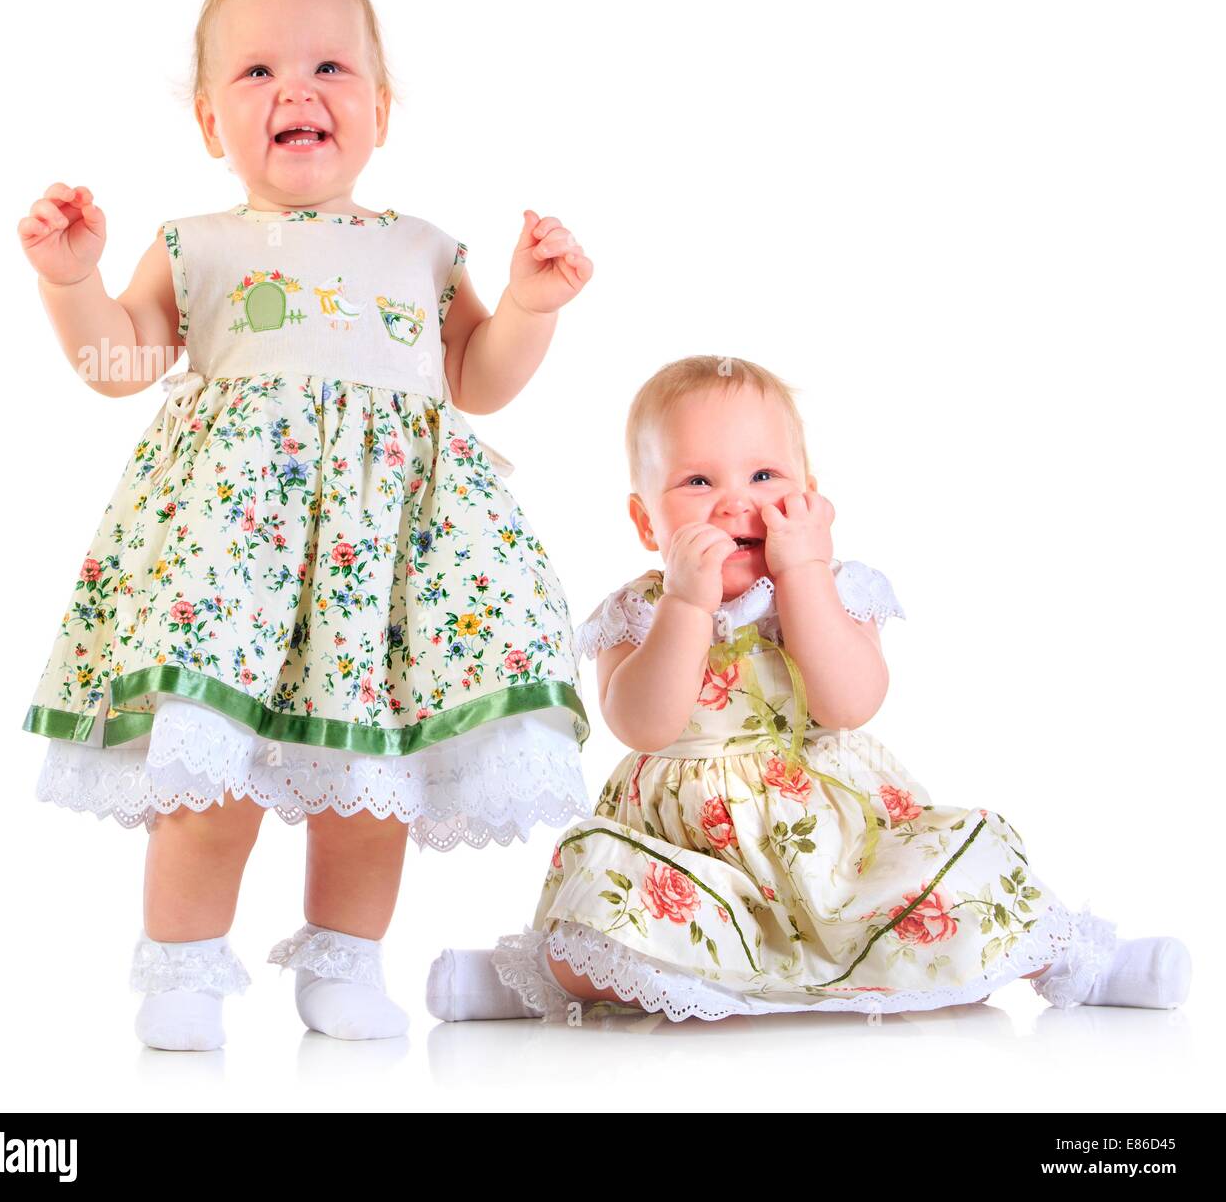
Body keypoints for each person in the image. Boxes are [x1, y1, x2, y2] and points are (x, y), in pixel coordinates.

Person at [18, 0, 594, 1050]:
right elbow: (117, 363)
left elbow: (476, 380)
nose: (297, 89)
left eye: (331, 67)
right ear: (209, 122)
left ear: (380, 109)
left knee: (369, 783)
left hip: (381, 560)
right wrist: (71, 282)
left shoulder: (424, 250)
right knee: (209, 776)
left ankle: (343, 959)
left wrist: (529, 306)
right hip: (235, 558)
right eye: (257, 72)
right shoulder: (198, 246)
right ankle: (183, 967)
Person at [425, 355, 1192, 1023]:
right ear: (645, 521)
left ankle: (1076, 964)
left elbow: (848, 703)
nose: (736, 502)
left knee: (959, 880)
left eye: (764, 476)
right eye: (698, 481)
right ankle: (531, 983)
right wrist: (687, 606)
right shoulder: (640, 612)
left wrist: (804, 575)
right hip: (697, 866)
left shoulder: (834, 589)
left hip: (841, 857)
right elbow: (643, 724)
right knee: (604, 909)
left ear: (810, 495)